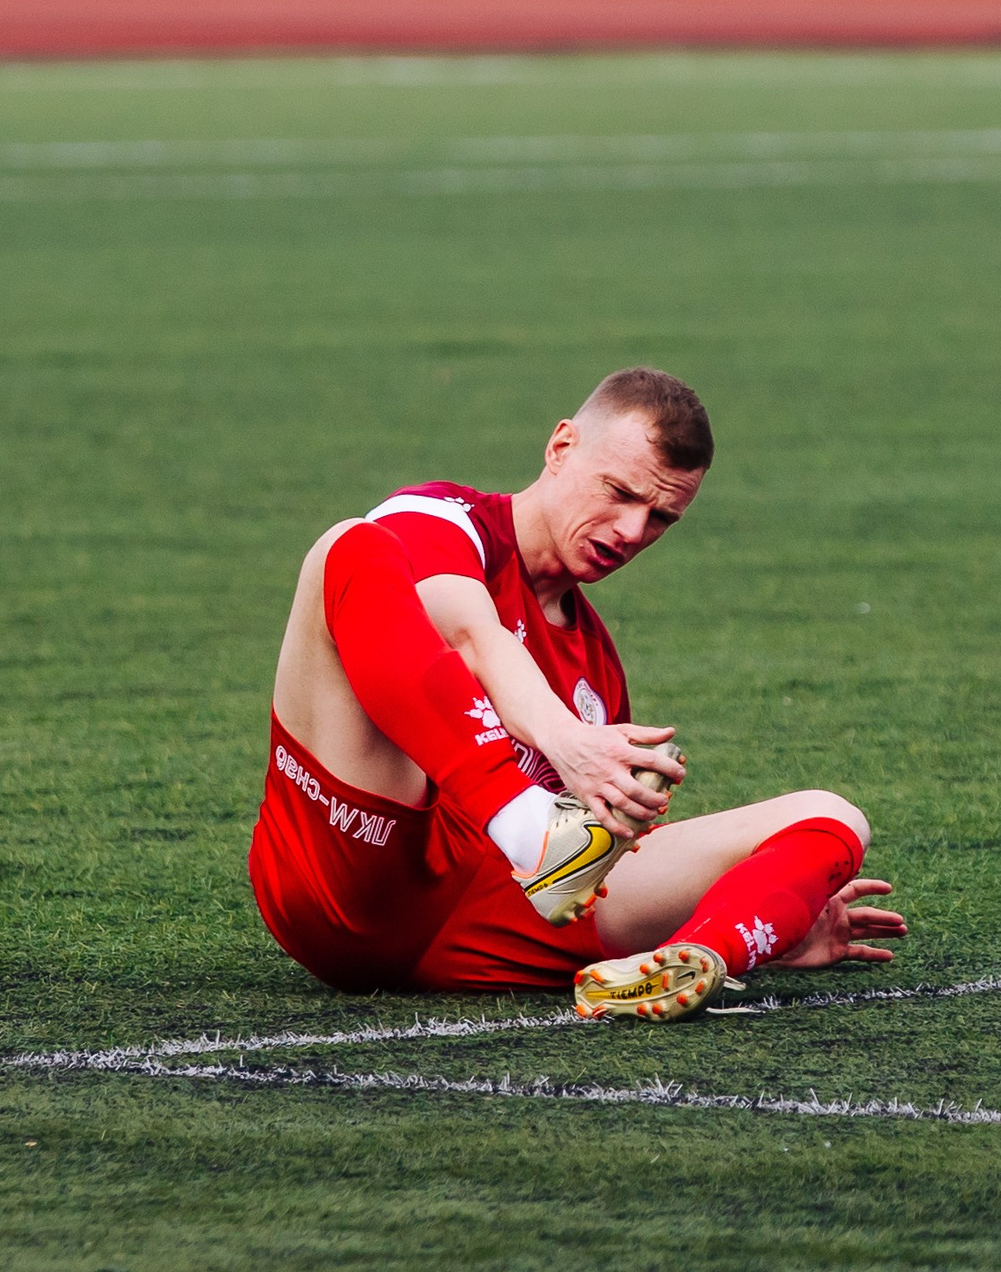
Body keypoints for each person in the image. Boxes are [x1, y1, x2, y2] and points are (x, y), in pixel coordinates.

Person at [249, 367, 905, 1020]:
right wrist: (566, 741)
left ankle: (704, 955)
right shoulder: (442, 519)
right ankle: (526, 826)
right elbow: (470, 635)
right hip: (355, 869)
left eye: (660, 518)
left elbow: (594, 865)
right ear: (561, 447)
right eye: (618, 492)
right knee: (350, 547)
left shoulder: (598, 667)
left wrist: (757, 919)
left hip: (486, 930)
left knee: (834, 816)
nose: (630, 531)